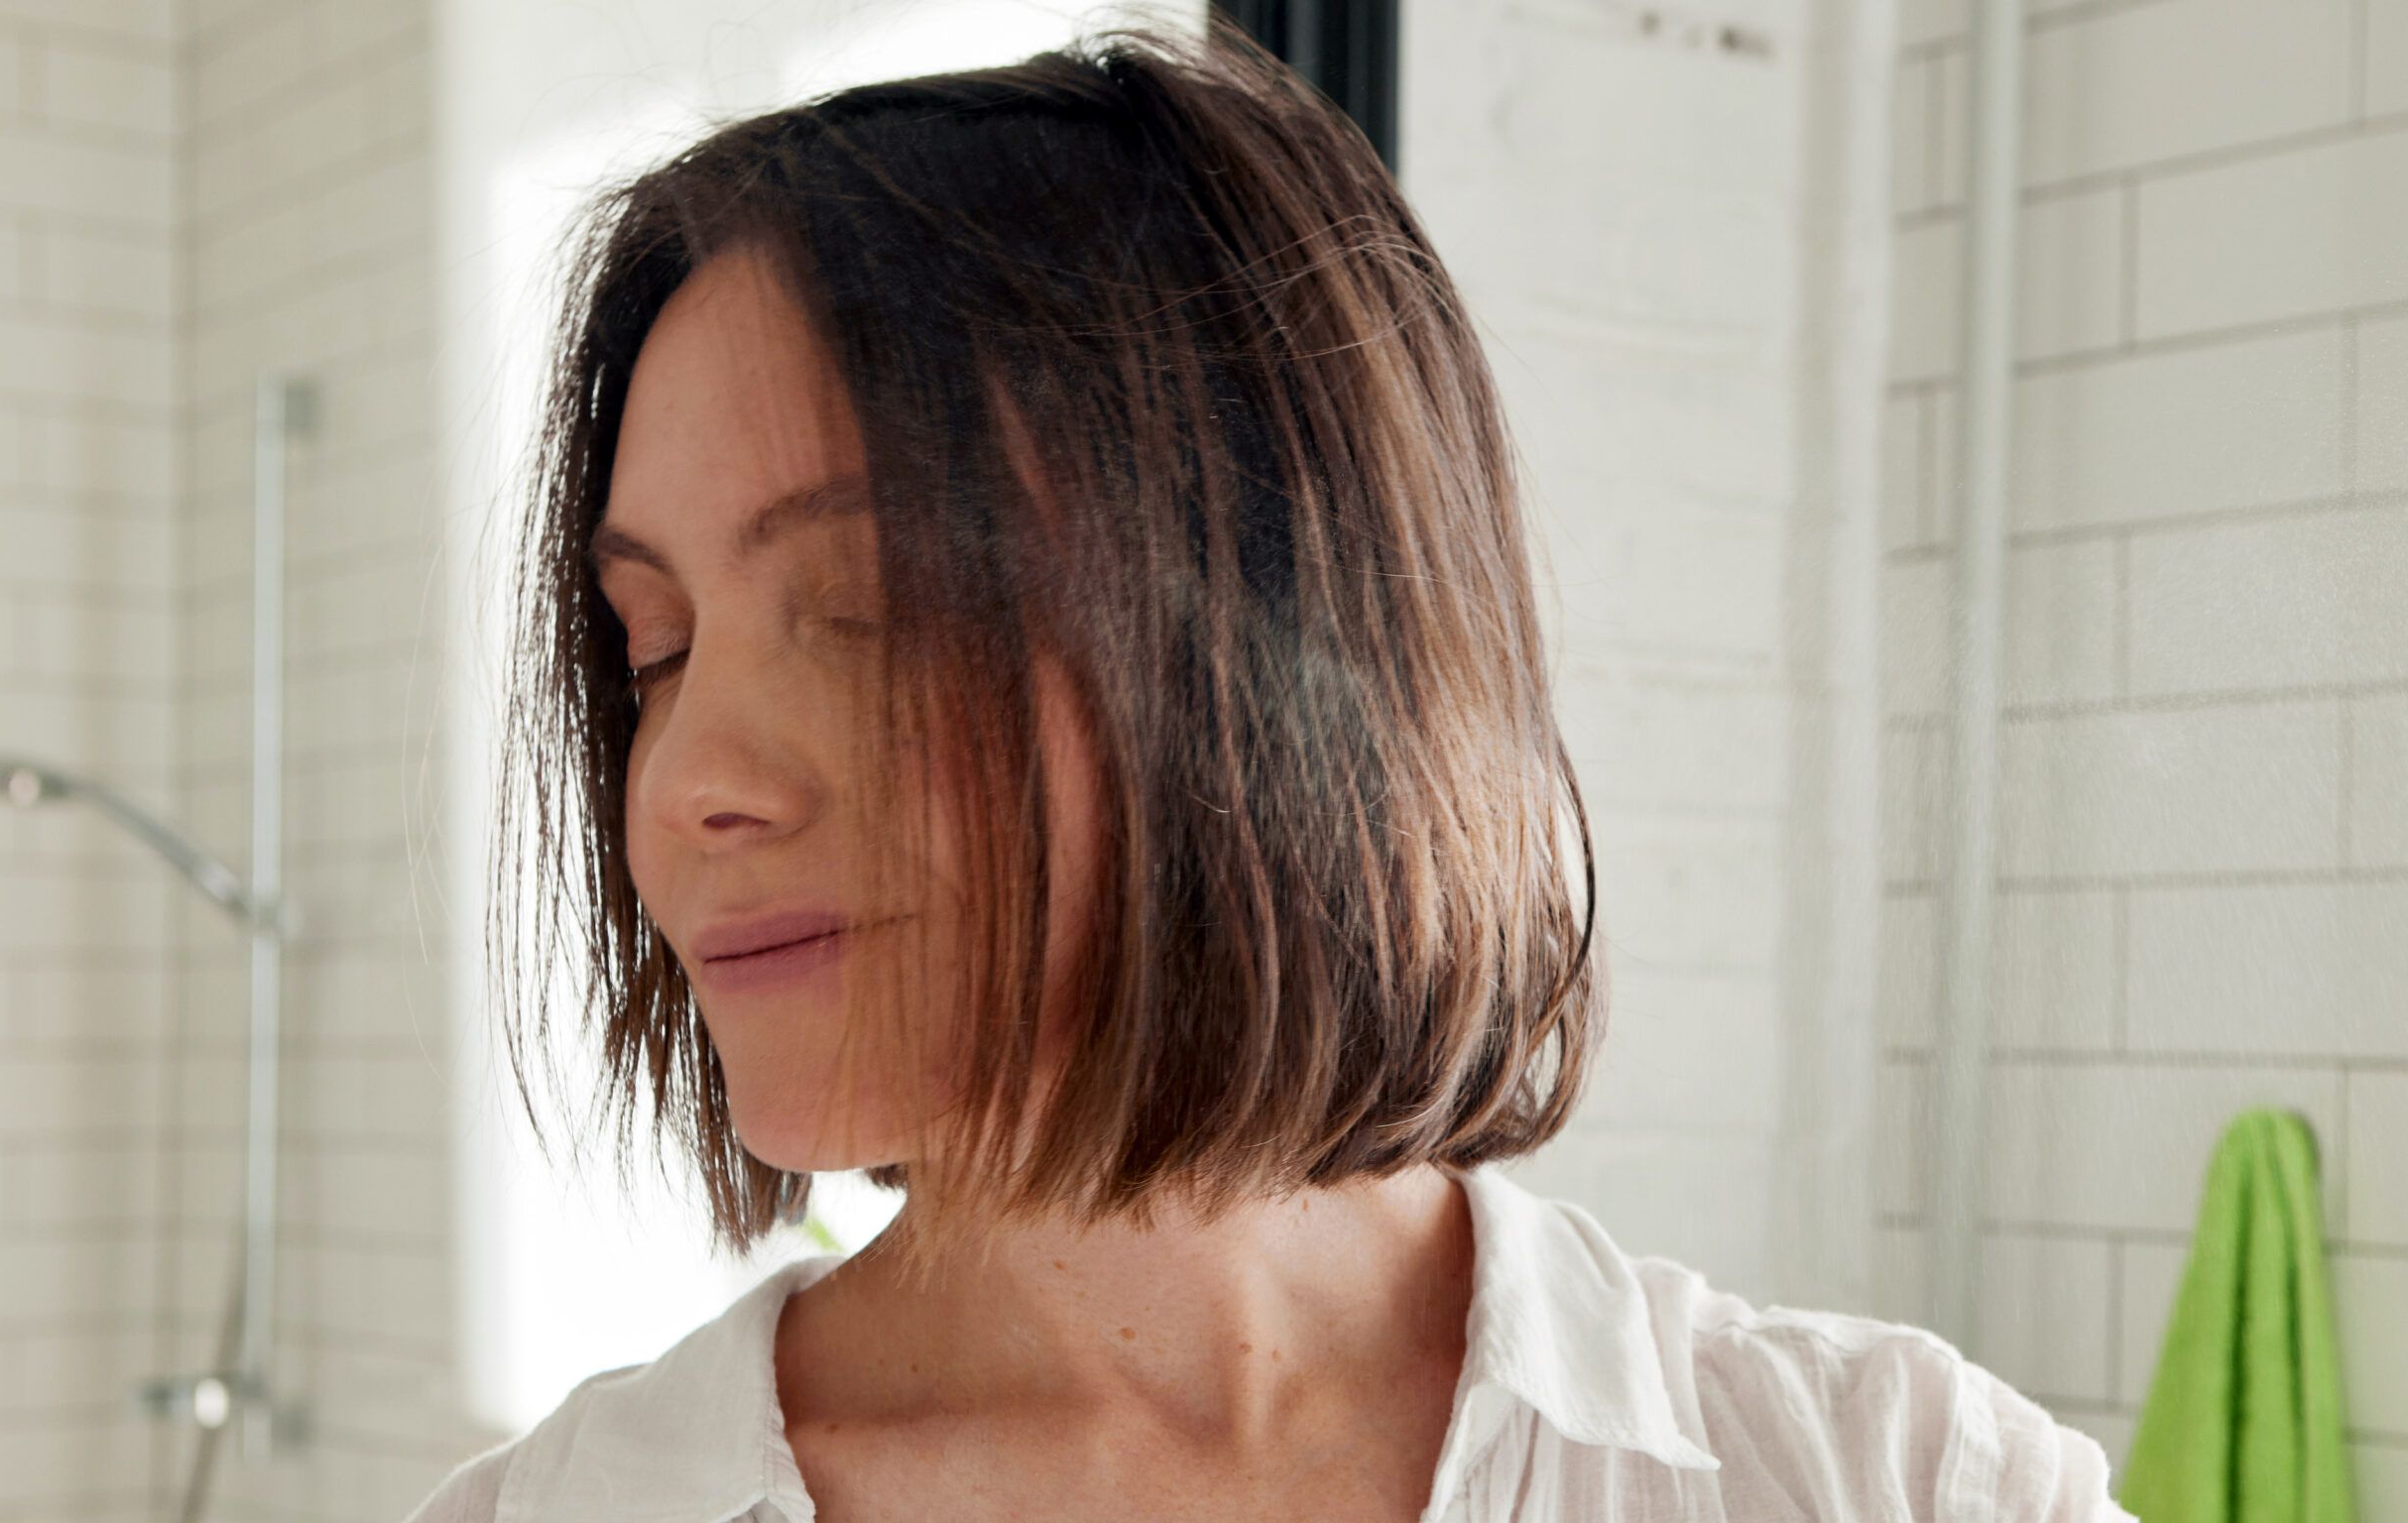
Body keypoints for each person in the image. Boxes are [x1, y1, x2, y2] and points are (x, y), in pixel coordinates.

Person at [406, 17, 2130, 1522]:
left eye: (864, 606)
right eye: (656, 649)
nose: (691, 778)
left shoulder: (1894, 1484)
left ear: (1259, 624)